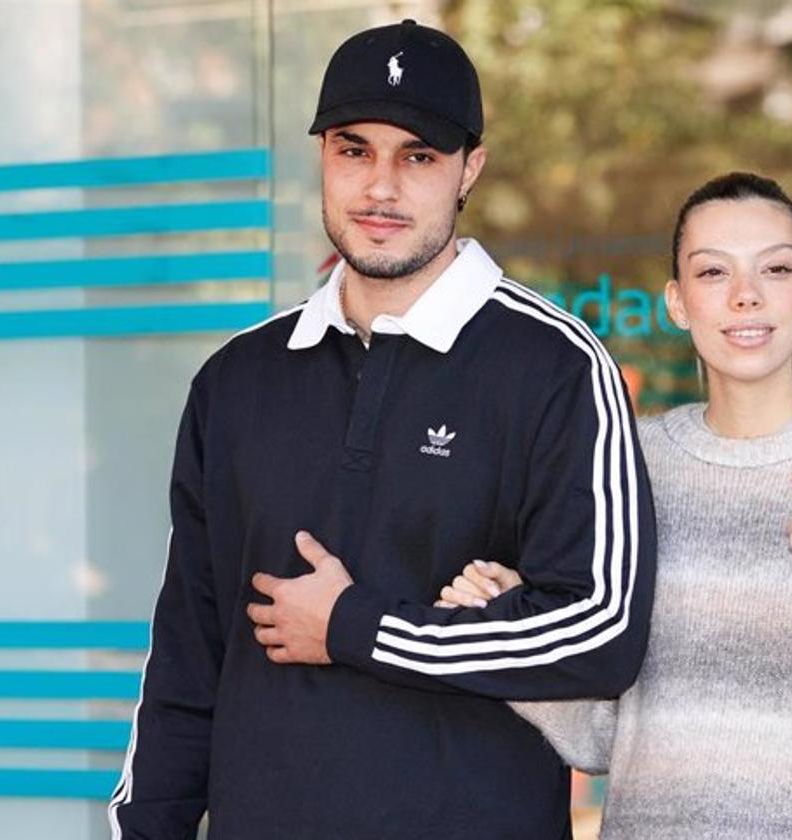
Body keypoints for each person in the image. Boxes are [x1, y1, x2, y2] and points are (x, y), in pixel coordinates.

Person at [108, 20, 656, 840]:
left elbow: (604, 632)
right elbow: (189, 656)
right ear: (323, 156)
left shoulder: (555, 368)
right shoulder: (238, 381)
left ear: (470, 167)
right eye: (354, 150)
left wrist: (354, 626)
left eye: (418, 156)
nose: (380, 188)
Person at [439, 172, 792, 839]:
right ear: (678, 302)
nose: (746, 296)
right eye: (713, 272)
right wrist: (516, 628)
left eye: (775, 268)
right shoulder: (633, 466)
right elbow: (604, 739)